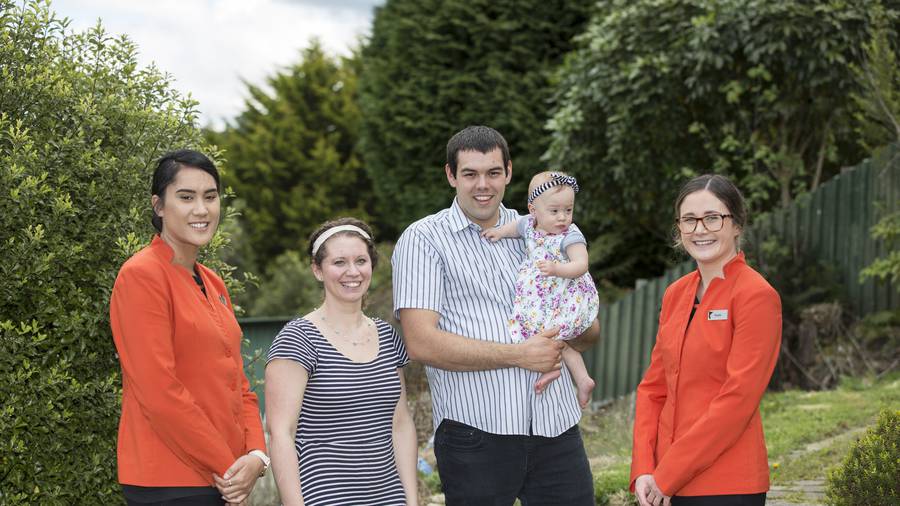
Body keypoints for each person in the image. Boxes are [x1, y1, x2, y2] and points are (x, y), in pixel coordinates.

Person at [392, 125, 600, 505]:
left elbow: (590, 330)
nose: (482, 185)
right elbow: (420, 342)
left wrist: (570, 331)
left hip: (556, 426)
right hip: (476, 436)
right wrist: (519, 355)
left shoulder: (544, 229)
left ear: (508, 172)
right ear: (451, 175)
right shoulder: (424, 240)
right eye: (469, 174)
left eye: (493, 172)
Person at [110, 149, 269, 506]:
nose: (201, 209)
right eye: (186, 197)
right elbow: (159, 392)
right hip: (170, 483)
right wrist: (230, 467)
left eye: (210, 197)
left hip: (220, 480)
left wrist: (257, 455)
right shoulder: (141, 276)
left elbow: (238, 382)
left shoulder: (213, 283)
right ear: (158, 205)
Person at [630, 174, 782, 506]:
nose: (700, 230)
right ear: (679, 228)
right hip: (660, 483)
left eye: (713, 218)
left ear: (736, 224)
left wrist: (667, 475)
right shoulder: (675, 294)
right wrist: (644, 467)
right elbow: (653, 388)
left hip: (726, 486)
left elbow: (737, 401)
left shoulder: (757, 296)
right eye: (690, 220)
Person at [265, 218, 418, 506]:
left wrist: (411, 501)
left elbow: (400, 424)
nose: (352, 272)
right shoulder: (297, 339)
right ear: (317, 270)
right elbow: (281, 434)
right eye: (339, 262)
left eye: (361, 260)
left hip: (389, 498)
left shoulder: (387, 336)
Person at [482, 170, 599, 408]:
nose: (562, 217)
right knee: (538, 334)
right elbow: (515, 227)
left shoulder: (570, 235)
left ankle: (578, 377)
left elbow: (581, 264)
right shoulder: (529, 224)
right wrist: (499, 232)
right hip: (540, 298)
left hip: (565, 296)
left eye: (568, 210)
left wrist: (557, 268)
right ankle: (567, 374)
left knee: (554, 335)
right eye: (554, 211)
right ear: (533, 210)